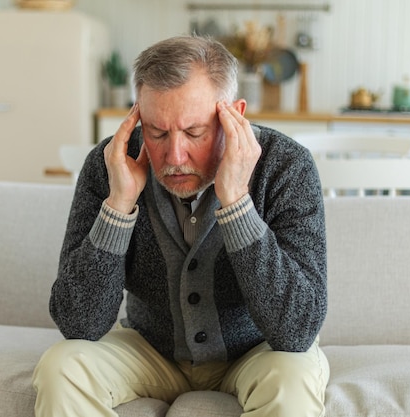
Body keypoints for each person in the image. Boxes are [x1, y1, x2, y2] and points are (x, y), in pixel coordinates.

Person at [32, 35, 329, 417]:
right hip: (151, 349)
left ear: (233, 115)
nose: (174, 156)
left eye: (194, 133)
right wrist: (119, 205)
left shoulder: (287, 167)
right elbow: (78, 323)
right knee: (61, 366)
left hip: (257, 353)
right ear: (138, 116)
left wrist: (237, 201)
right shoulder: (110, 165)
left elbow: (298, 329)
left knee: (292, 380)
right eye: (157, 132)